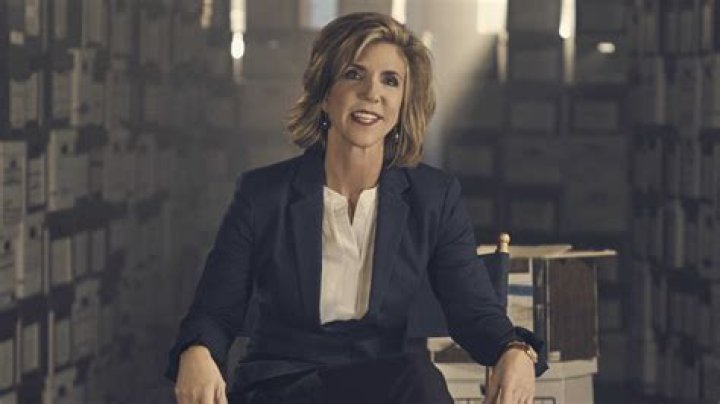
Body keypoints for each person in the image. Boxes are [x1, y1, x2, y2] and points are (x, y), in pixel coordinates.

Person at [166, 12, 548, 404]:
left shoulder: (434, 198)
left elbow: (474, 312)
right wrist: (197, 350)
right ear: (324, 93)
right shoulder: (262, 194)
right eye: (353, 74)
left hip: (385, 387)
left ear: (404, 102)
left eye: (390, 80)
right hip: (284, 389)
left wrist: (515, 350)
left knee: (417, 377)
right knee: (415, 379)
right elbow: (214, 310)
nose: (371, 93)